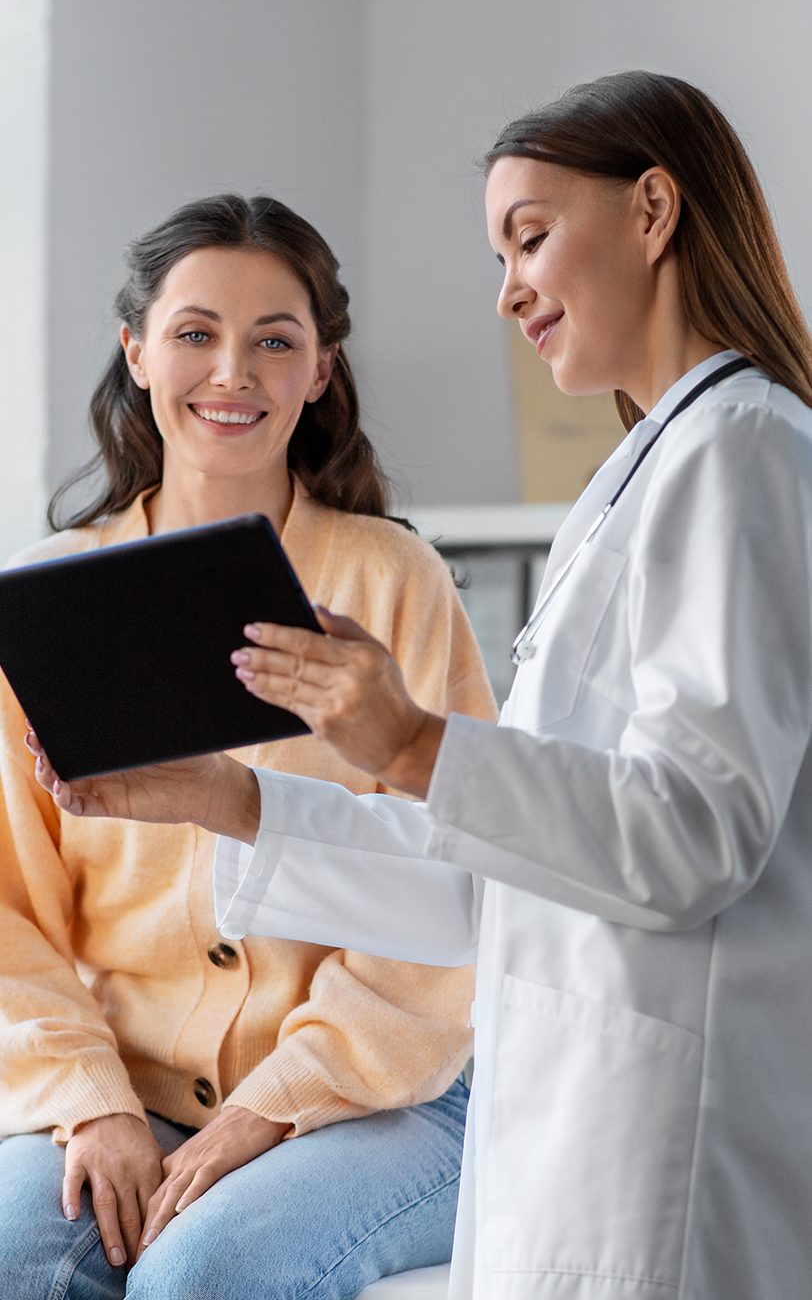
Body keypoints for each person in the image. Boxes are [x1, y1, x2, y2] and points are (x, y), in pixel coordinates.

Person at [35, 71, 812, 1300]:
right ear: (136, 353)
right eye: (500, 251)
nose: (506, 290)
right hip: (566, 1105)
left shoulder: (743, 451)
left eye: (529, 237)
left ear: (653, 210)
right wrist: (236, 800)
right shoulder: (639, 477)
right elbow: (486, 876)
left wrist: (405, 740)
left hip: (651, 1125)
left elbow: (693, 834)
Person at [0, 194, 498, 1300]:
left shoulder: (389, 582)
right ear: (135, 352)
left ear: (319, 369)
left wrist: (263, 1108)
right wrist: (90, 1096)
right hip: (120, 1079)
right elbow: (7, 906)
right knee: (19, 1257)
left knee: (203, 1272)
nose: (232, 371)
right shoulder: (44, 598)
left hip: (379, 1089)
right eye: (194, 334)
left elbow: (461, 876)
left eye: (275, 339)